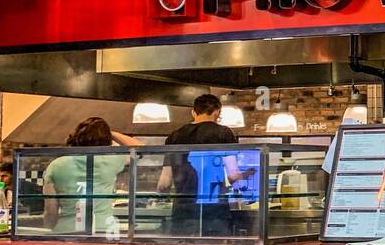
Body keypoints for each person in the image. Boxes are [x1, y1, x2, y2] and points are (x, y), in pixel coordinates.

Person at [158, 93, 255, 236]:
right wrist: (248, 186)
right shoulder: (224, 133)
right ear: (217, 112)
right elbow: (233, 175)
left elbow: (164, 182)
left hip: (183, 211)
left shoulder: (175, 136)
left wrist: (161, 195)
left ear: (193, 112)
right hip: (215, 211)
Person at [42, 118, 143, 236]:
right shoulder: (111, 161)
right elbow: (140, 148)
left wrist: (50, 232)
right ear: (107, 140)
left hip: (66, 231)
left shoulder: (56, 165)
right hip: (103, 230)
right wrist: (110, 133)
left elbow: (51, 211)